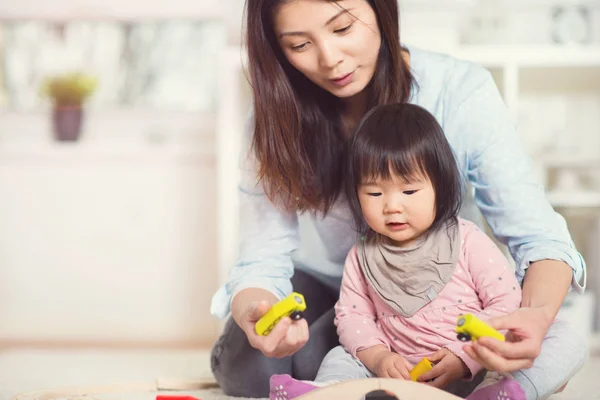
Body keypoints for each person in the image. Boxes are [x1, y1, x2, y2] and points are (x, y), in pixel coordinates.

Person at [210, 0, 588, 398]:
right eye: (300, 45)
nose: (331, 59)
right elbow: (260, 261)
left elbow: (538, 238)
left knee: (547, 345)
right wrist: (258, 310)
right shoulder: (276, 119)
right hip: (330, 288)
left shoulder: (458, 91)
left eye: (342, 29)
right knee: (257, 369)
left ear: (381, 10)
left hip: (444, 298)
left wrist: (535, 318)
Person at [268, 103, 526, 400]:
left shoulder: (466, 240)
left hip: (469, 369)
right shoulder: (363, 254)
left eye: (409, 191)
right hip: (395, 369)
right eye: (375, 193)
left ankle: (492, 395)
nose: (392, 206)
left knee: (552, 344)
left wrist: (463, 357)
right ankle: (327, 392)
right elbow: (353, 317)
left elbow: (506, 302)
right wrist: (378, 357)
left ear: (440, 187)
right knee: (341, 355)